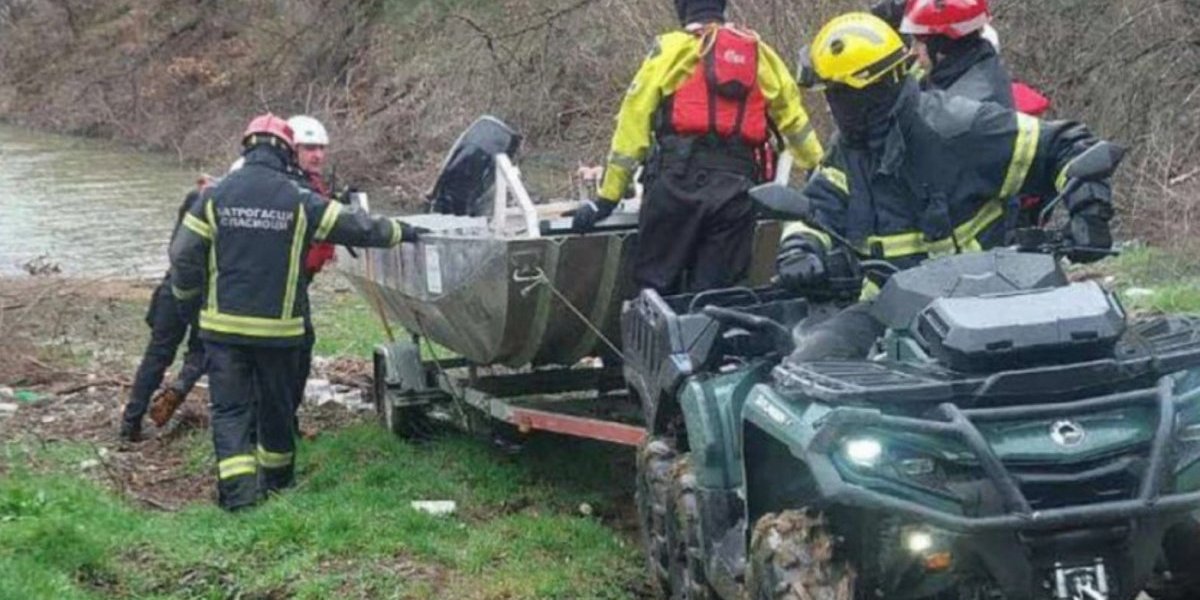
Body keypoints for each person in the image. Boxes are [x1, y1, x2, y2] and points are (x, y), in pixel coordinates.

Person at [777, 13, 1115, 362]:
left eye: (839, 93)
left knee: (1075, 366)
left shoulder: (956, 128)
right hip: (891, 311)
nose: (833, 107)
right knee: (805, 368)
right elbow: (815, 212)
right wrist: (799, 250)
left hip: (991, 298)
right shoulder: (848, 151)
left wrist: (1089, 212)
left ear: (875, 88)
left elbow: (1067, 146)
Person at [170, 113, 426, 511]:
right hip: (280, 332)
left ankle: (238, 501)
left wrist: (189, 300)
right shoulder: (298, 199)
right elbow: (356, 228)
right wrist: (403, 232)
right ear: (287, 153)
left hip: (223, 331)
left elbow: (184, 254)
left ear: (247, 147)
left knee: (232, 412)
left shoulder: (215, 196)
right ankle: (278, 485)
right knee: (276, 408)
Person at [573, 0, 824, 295]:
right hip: (737, 191)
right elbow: (795, 122)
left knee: (655, 293)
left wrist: (607, 198)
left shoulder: (671, 50)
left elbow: (633, 124)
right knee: (719, 299)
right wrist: (818, 170)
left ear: (683, 9)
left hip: (675, 185)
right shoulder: (760, 54)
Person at [118, 184, 211, 441]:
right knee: (203, 348)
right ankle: (180, 386)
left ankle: (130, 422)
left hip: (174, 285)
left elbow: (176, 247)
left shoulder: (197, 197)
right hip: (208, 292)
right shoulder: (235, 210)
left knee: (157, 353)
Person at [286, 114, 335, 439]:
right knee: (293, 351)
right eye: (309, 148)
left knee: (301, 348)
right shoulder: (290, 186)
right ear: (292, 149)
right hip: (282, 283)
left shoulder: (312, 183)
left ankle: (285, 420)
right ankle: (280, 425)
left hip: (298, 280)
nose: (316, 155)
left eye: (320, 148)